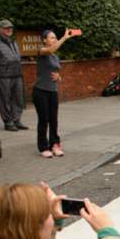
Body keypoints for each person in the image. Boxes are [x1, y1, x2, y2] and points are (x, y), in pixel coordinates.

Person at [34, 29, 78, 158]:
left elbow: (57, 73)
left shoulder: (55, 57)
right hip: (40, 91)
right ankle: (43, 147)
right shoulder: (42, 51)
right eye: (51, 38)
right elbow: (51, 50)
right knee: (44, 120)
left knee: (54, 120)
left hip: (52, 91)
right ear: (44, 40)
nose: (54, 39)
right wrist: (64, 38)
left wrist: (59, 77)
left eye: (55, 37)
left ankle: (55, 144)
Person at [0, 19, 28, 132]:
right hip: (4, 75)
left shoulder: (12, 41)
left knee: (18, 98)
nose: (9, 29)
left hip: (17, 74)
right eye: (6, 28)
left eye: (10, 27)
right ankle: (8, 122)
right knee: (5, 99)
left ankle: (16, 120)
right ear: (0, 29)